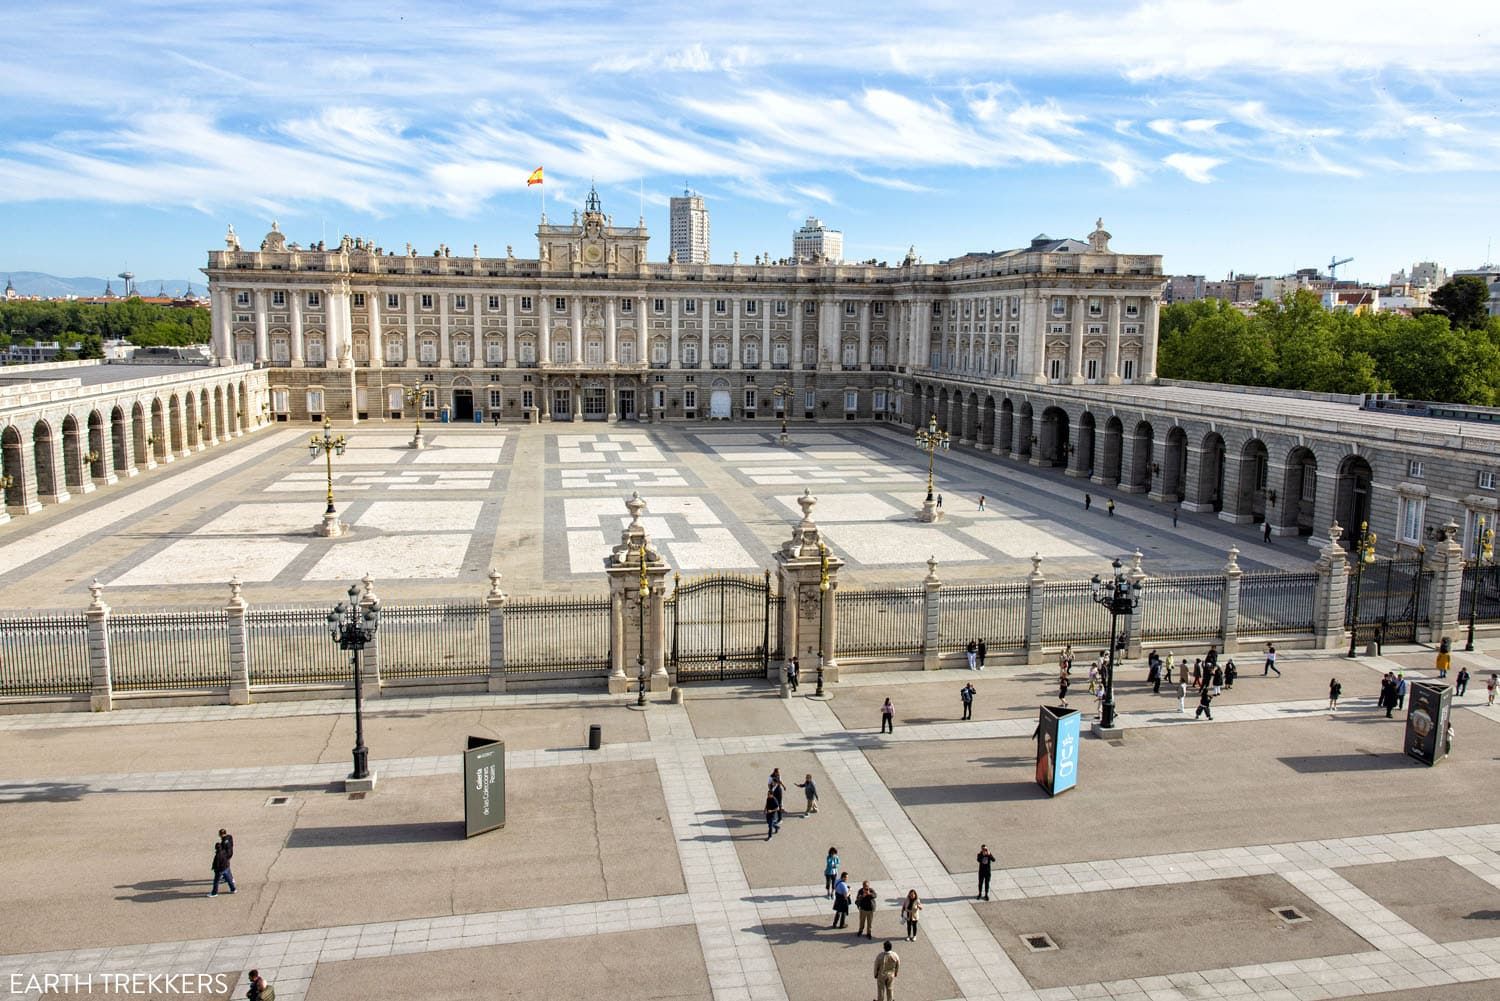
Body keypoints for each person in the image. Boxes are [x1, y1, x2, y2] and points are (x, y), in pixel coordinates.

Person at [209, 828, 236, 897]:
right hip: (229, 854)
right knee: (227, 868)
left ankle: (214, 892)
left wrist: (215, 869)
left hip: (225, 858)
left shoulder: (219, 853)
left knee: (217, 880)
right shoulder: (230, 837)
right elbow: (232, 844)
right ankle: (230, 881)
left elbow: (217, 863)